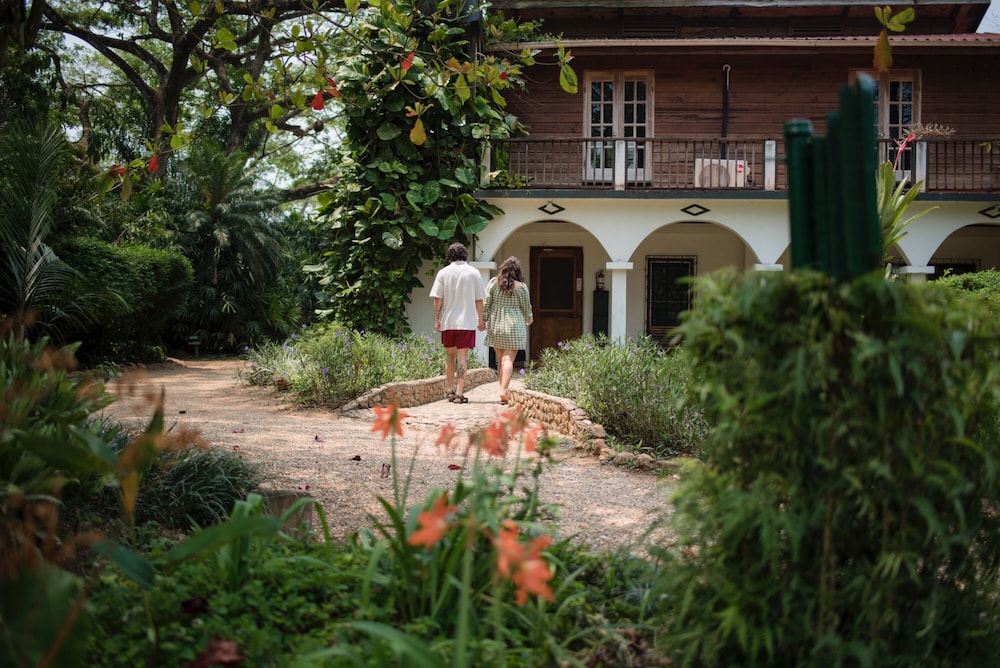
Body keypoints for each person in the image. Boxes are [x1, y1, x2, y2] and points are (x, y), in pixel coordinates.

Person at [429, 242, 485, 404]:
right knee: (462, 358)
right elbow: (478, 299)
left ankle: (450, 390)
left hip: (448, 322)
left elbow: (437, 298)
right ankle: (460, 393)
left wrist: (437, 318)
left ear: (449, 256)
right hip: (466, 323)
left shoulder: (443, 273)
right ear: (464, 255)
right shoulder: (473, 273)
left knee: (449, 355)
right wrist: (481, 320)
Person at [483, 256, 533, 405]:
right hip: (514, 325)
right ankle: (504, 391)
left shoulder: (493, 283)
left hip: (496, 324)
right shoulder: (521, 287)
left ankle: (502, 389)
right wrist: (529, 319)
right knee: (508, 360)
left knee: (501, 360)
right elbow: (526, 307)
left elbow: (486, 303)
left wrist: (483, 319)